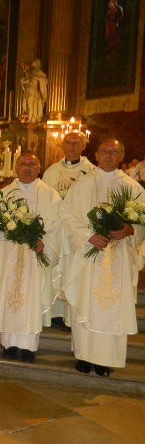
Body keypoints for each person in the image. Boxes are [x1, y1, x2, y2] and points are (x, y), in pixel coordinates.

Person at [61, 138, 145, 377]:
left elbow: (142, 221)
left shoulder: (134, 188)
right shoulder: (82, 185)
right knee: (87, 302)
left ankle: (106, 360)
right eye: (104, 151)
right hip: (89, 257)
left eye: (114, 151)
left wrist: (131, 230)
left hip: (119, 259)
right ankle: (83, 356)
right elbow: (66, 216)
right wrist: (89, 236)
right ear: (96, 155)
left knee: (111, 308)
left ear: (122, 156)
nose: (109, 155)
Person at [0, 151, 62, 363]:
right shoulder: (4, 194)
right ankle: (8, 344)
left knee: (32, 299)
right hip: (9, 256)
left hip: (35, 258)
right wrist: (4, 231)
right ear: (16, 168)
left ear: (39, 168)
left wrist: (44, 243)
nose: (27, 168)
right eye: (23, 164)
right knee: (9, 298)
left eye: (32, 164)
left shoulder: (50, 195)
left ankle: (28, 346)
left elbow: (57, 226)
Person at [42, 131, 96, 327]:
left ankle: (71, 314)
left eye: (76, 143)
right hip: (55, 230)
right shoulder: (51, 172)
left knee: (73, 269)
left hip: (77, 231)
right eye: (68, 143)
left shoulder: (92, 172)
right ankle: (54, 312)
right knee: (54, 266)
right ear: (62, 145)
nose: (72, 147)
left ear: (83, 146)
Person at [27, 59, 48, 123]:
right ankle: (30, 117)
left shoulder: (40, 72)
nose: (34, 67)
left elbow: (44, 80)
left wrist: (37, 78)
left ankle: (34, 117)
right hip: (30, 90)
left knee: (36, 105)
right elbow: (28, 80)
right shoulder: (32, 73)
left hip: (36, 91)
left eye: (35, 65)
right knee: (30, 105)